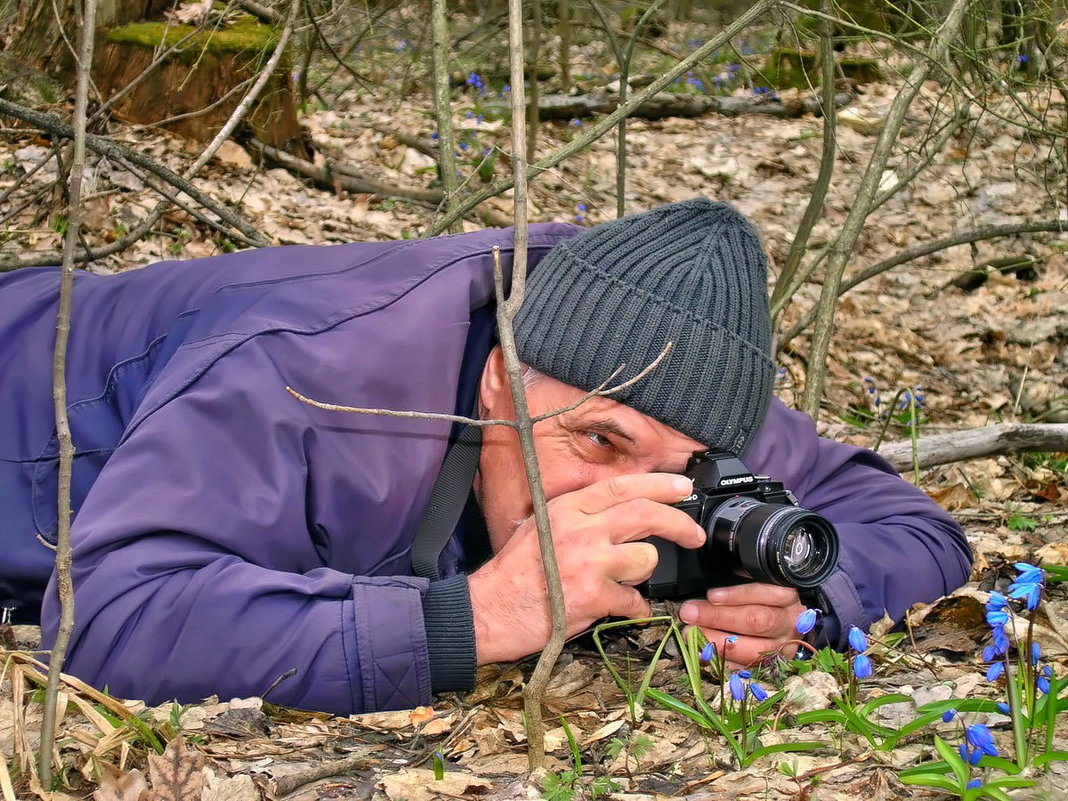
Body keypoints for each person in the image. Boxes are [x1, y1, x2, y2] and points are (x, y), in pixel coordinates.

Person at [0, 199, 971, 715]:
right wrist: (474, 618)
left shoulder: (662, 376)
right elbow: (106, 618)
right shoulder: (314, 377)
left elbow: (917, 529)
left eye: (677, 468)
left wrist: (809, 598)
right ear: (501, 379)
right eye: (597, 443)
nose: (627, 495)